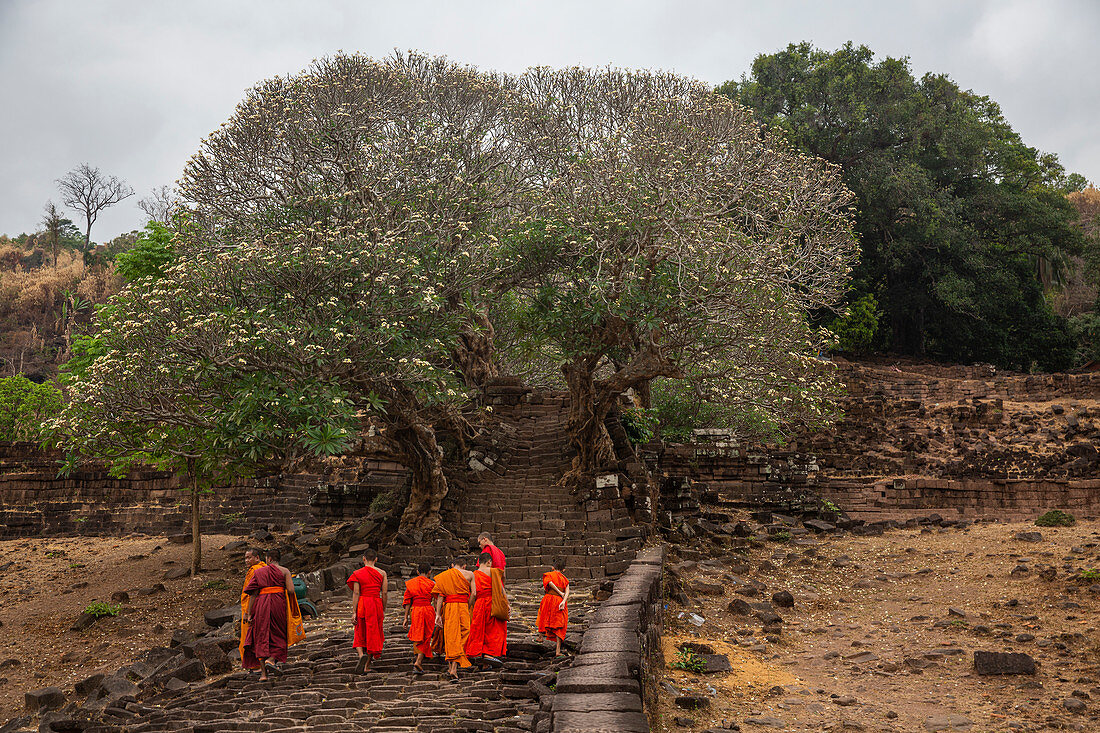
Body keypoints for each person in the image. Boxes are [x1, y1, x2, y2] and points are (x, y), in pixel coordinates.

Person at [243, 548, 304, 681]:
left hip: (261, 605)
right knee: (278, 633)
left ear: (269, 559)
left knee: (260, 635)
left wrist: (248, 614)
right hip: (278, 604)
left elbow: (252, 594)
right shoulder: (284, 571)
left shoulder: (259, 572)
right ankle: (271, 660)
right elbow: (291, 590)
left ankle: (263, 675)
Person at [431, 556, 477, 682]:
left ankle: (452, 667)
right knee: (464, 633)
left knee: (451, 636)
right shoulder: (470, 574)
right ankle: (454, 668)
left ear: (453, 565)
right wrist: (468, 605)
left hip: (449, 607)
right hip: (462, 606)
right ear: (464, 566)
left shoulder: (444, 575)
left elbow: (440, 596)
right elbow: (474, 593)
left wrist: (438, 614)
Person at [347, 548, 387, 674]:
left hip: (363, 603)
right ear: (376, 559)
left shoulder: (357, 573)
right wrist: (383, 608)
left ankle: (360, 656)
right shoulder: (382, 573)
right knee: (372, 633)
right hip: (375, 603)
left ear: (363, 558)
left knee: (359, 631)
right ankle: (367, 665)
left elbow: (356, 592)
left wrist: (354, 611)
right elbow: (384, 593)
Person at [465, 552, 507, 667]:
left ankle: (484, 662)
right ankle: (488, 655)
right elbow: (501, 589)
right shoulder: (493, 571)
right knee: (493, 630)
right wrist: (506, 603)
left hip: (479, 603)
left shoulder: (473, 574)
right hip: (492, 602)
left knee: (479, 629)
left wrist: (470, 606)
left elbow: (472, 593)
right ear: (489, 561)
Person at [402, 562, 436, 674]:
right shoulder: (432, 583)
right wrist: (438, 613)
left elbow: (407, 601)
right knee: (426, 635)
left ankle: (418, 656)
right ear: (429, 572)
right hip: (428, 609)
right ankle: (419, 661)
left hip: (415, 610)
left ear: (417, 572)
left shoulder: (411, 583)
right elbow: (436, 600)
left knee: (418, 634)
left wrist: (406, 617)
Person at [536, 556, 570, 657]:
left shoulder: (549, 574)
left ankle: (540, 637)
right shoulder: (565, 579)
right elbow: (567, 592)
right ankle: (558, 651)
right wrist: (563, 601)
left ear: (552, 567)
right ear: (564, 570)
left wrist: (559, 592)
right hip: (559, 601)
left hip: (548, 599)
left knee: (543, 617)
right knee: (560, 623)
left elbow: (549, 583)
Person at [239, 548, 266, 671]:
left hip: (254, 607)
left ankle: (256, 665)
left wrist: (246, 612)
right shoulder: (263, 568)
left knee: (252, 637)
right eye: (245, 558)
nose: (246, 560)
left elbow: (251, 593)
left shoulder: (256, 570)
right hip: (263, 605)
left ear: (257, 558)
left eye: (249, 557)